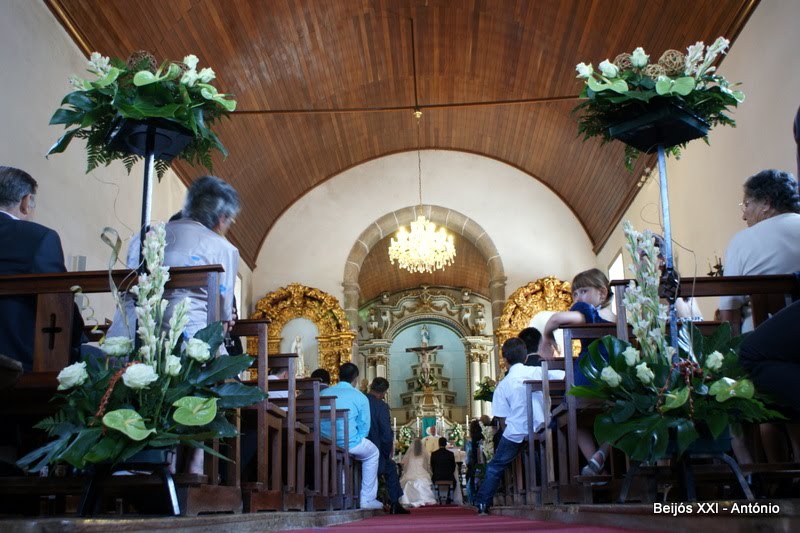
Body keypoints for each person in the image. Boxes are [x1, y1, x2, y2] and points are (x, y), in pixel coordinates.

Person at [108, 175, 240, 342]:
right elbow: (222, 323)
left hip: (127, 337)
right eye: (230, 221)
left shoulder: (141, 238)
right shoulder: (224, 249)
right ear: (222, 218)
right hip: (188, 344)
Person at [0, 166, 85, 372]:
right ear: (26, 201)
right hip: (15, 362)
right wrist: (79, 338)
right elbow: (59, 300)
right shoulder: (38, 237)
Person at [539, 268, 613, 476]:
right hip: (618, 379)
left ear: (602, 293)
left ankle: (596, 462)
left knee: (571, 414)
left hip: (590, 378)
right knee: (624, 411)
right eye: (575, 293)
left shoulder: (588, 313)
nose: (578, 298)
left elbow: (556, 319)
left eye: (584, 291)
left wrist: (546, 337)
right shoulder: (618, 316)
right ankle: (602, 454)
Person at [719, 169, 800, 335]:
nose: (744, 216)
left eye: (746, 205)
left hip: (766, 341)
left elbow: (730, 314)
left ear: (766, 203)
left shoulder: (742, 241)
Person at [473, 338, 540, 515]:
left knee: (495, 466)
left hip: (516, 432)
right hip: (542, 429)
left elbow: (502, 420)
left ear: (504, 360)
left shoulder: (502, 386)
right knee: (538, 453)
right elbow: (563, 377)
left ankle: (482, 503)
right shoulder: (538, 372)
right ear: (526, 357)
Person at [320, 363, 382, 510]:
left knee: (342, 455)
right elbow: (364, 427)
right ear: (355, 379)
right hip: (349, 441)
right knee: (373, 453)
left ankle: (340, 493)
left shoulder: (323, 393)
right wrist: (354, 439)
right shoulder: (360, 396)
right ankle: (367, 499)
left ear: (338, 375)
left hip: (324, 442)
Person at [366, 377, 409, 514]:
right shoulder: (381, 406)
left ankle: (392, 502)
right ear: (384, 392)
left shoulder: (361, 400)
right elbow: (385, 434)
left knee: (389, 465)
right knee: (390, 466)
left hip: (356, 446)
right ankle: (395, 503)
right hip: (375, 450)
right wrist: (385, 453)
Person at [398, 439, 437, 508]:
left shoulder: (409, 453)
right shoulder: (424, 454)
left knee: (408, 482)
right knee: (422, 481)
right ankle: (423, 498)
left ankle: (408, 499)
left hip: (410, 472)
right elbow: (426, 465)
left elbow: (404, 464)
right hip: (421, 472)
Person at [464, 419, 485, 504]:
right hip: (482, 461)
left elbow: (471, 452)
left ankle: (473, 499)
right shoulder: (481, 435)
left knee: (471, 478)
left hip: (475, 461)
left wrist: (468, 463)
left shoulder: (473, 438)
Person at [430, 437, 456, 503]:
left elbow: (432, 467)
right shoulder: (450, 454)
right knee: (454, 482)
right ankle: (449, 497)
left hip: (437, 476)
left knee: (432, 479)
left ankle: (438, 496)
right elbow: (453, 466)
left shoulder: (434, 454)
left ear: (438, 444)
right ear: (446, 444)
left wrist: (436, 473)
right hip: (448, 476)